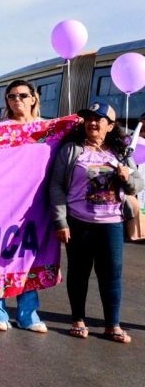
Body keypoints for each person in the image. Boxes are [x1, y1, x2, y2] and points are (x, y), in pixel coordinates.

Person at [49, 103, 140, 343]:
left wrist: (127, 178)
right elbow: (56, 186)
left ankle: (113, 324)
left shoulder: (120, 152)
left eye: (99, 119)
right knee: (78, 273)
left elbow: (138, 184)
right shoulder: (71, 150)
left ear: (110, 126)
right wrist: (60, 221)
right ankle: (78, 319)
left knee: (111, 274)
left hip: (112, 224)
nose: (93, 122)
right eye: (89, 118)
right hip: (79, 222)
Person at [0, 79, 47, 333]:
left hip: (36, 204)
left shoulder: (47, 128)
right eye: (11, 96)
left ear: (33, 98)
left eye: (22, 95)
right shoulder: (1, 129)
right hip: (3, 203)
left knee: (31, 257)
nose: (16, 99)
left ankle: (28, 312)